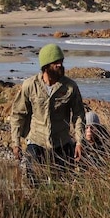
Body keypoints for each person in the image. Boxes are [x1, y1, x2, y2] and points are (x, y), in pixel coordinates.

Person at [10, 43, 85, 175]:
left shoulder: (70, 87)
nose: (60, 65)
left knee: (63, 185)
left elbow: (78, 115)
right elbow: (18, 114)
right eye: (55, 62)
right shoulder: (30, 86)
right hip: (36, 143)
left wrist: (79, 142)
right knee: (34, 184)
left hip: (62, 144)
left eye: (61, 61)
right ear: (46, 66)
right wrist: (16, 143)